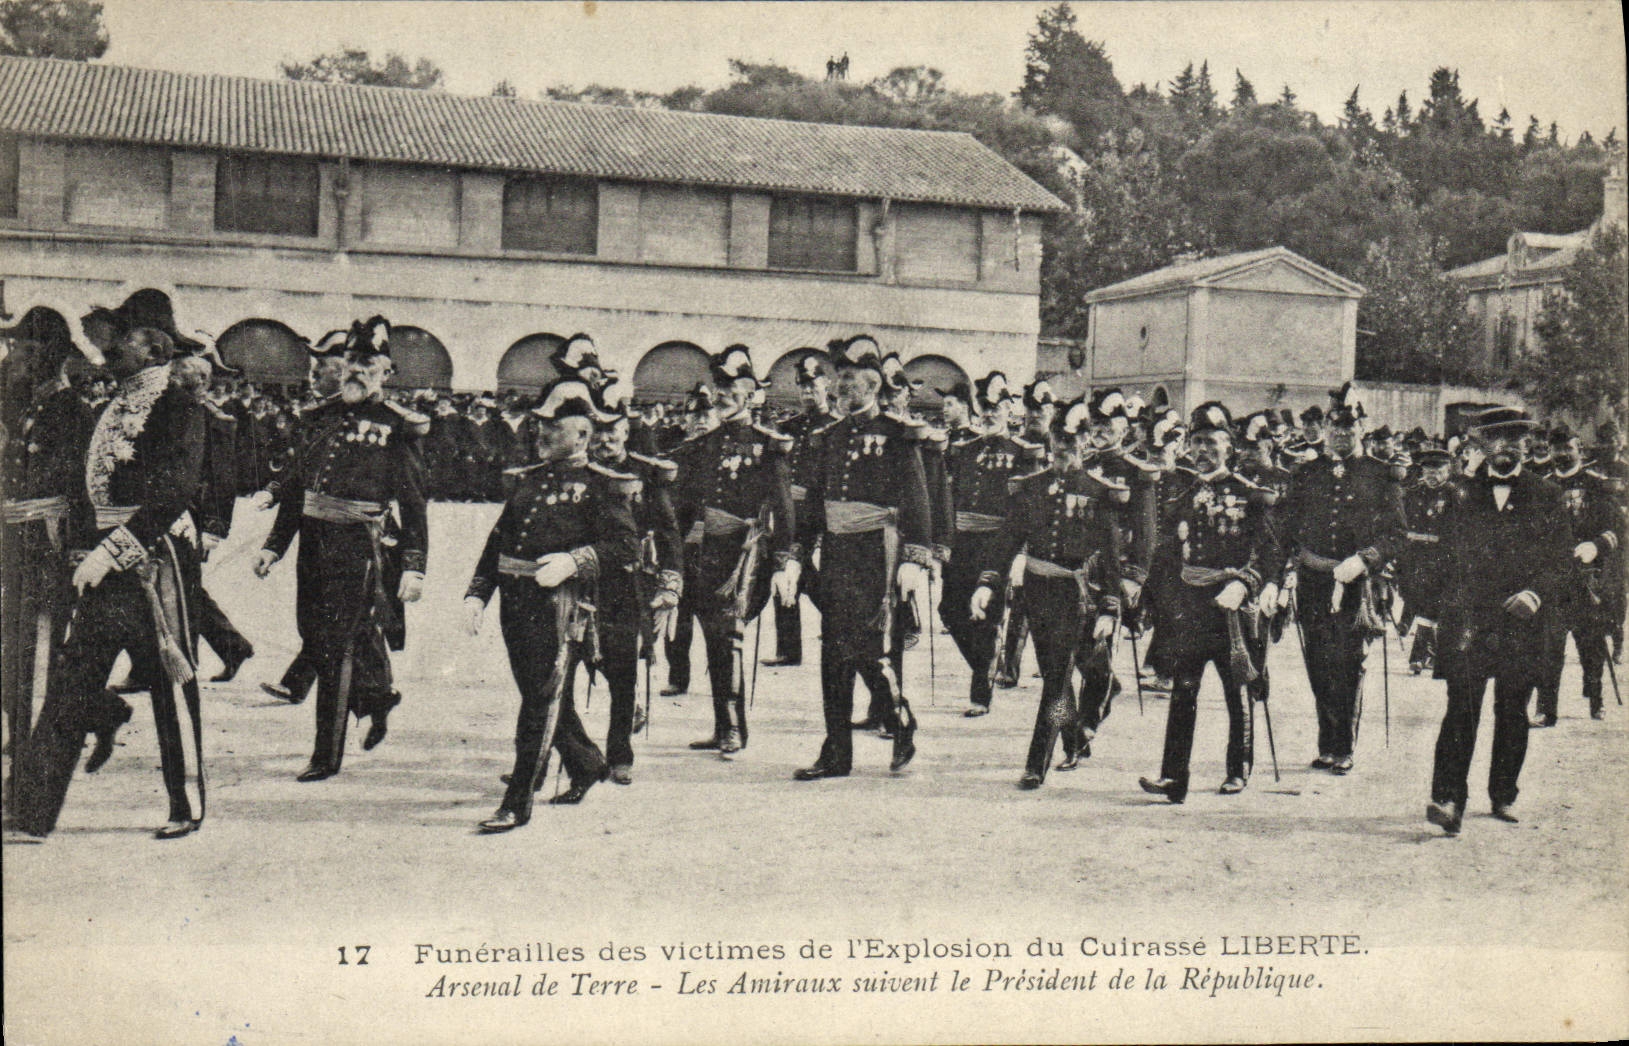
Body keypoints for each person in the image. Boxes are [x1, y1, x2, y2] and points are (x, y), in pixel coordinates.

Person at [9, 326, 208, 841]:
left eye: (123, 343)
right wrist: (82, 548)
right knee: (74, 679)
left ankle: (184, 804)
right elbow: (88, 490)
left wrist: (116, 548)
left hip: (155, 561)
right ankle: (32, 810)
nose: (109, 350)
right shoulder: (109, 407)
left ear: (155, 353)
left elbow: (175, 492)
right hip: (103, 563)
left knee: (170, 683)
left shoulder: (179, 406)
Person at [252, 318, 427, 781]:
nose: (355, 370)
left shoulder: (397, 427)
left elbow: (413, 503)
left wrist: (414, 565)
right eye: (350, 360)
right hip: (313, 542)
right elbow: (298, 492)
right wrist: (274, 546)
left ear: (386, 373)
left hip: (359, 548)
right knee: (315, 634)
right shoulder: (319, 419)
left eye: (367, 363)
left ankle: (325, 756)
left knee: (333, 646)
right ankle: (377, 698)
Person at [464, 379, 641, 831]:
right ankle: (585, 762)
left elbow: (626, 547)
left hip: (559, 605)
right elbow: (498, 540)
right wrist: (477, 592)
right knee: (539, 694)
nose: (540, 433)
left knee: (540, 701)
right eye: (540, 425)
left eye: (553, 427)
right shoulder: (529, 479)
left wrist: (575, 560)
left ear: (582, 435)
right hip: (517, 602)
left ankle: (516, 801)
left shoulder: (603, 485)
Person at [785, 335, 931, 779]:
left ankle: (899, 716)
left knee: (867, 644)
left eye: (849, 379)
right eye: (839, 378)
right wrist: (795, 555)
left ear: (871, 383)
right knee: (833, 650)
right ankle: (838, 752)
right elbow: (812, 504)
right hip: (836, 552)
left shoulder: (897, 435)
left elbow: (917, 500)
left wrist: (914, 558)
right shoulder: (826, 437)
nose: (840, 386)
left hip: (875, 551)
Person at [1426, 408, 1571, 835]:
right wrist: (1435, 611)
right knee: (1460, 710)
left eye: (1514, 440)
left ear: (1526, 445)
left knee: (1512, 710)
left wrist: (1535, 594)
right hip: (1471, 619)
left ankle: (1503, 792)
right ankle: (1449, 798)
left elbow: (1560, 561)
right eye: (1495, 440)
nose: (1505, 448)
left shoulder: (1547, 495)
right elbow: (1444, 557)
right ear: (1481, 446)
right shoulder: (1461, 495)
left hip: (1523, 619)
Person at [970, 398, 1123, 787]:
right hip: (1037, 592)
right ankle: (1073, 739)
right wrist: (988, 583)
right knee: (1056, 674)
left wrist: (1110, 606)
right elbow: (1006, 542)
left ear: (1085, 445)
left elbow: (1110, 555)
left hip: (1076, 596)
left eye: (1071, 448)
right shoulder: (1029, 488)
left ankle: (1037, 761)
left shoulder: (1099, 492)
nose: (1062, 456)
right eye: (1057, 448)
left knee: (1056, 679)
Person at [1138, 403, 1275, 803]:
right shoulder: (1182, 496)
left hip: (1231, 608)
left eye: (1212, 443)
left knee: (1237, 690)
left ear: (1229, 447)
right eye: (1196, 442)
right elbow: (1165, 556)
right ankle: (1173, 778)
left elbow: (1268, 554)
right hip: (1190, 608)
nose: (1203, 451)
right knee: (1183, 689)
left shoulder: (1252, 497)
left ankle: (1239, 769)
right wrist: (1148, 601)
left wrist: (1246, 585)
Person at [666, 346, 793, 757]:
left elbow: (783, 509)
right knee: (714, 640)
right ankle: (722, 726)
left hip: (743, 556)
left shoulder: (768, 446)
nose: (722, 396)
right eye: (719, 388)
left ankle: (734, 729)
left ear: (752, 395)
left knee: (729, 637)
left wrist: (782, 561)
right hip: (705, 555)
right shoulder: (703, 444)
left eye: (731, 389)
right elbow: (683, 507)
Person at [1279, 386, 1404, 775]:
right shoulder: (1307, 473)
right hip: (1314, 580)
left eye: (1349, 429)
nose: (1341, 436)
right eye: (1335, 428)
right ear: (1326, 430)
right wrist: (1284, 570)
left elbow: (1396, 534)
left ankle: (1344, 745)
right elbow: (1288, 526)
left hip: (1355, 583)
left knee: (1347, 662)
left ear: (1361, 430)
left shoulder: (1380, 476)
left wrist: (1366, 559)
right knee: (1317, 661)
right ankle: (1326, 743)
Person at [1, 308, 95, 801]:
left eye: (27, 349)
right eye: (16, 347)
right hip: (14, 542)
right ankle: (96, 712)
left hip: (51, 547)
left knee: (44, 661)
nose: (16, 355)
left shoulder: (75, 412)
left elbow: (84, 491)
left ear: (51, 357)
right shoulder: (19, 404)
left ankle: (29, 774)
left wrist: (78, 553)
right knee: (13, 657)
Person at [587, 381, 682, 785]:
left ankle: (619, 754)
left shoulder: (646, 473)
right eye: (598, 433)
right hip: (585, 578)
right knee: (584, 658)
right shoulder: (581, 471)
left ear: (626, 433)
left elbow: (668, 531)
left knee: (623, 669)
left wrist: (670, 583)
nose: (605, 441)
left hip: (630, 583)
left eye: (613, 433)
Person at [941, 370, 1043, 717]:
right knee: (950, 610)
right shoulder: (963, 449)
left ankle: (980, 694)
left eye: (995, 408)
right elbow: (951, 498)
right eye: (983, 407)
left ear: (1009, 411)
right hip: (964, 541)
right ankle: (985, 663)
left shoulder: (1023, 452)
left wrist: (1021, 554)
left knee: (985, 616)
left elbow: (1028, 508)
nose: (988, 414)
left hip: (998, 543)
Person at [258, 329, 346, 704]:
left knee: (339, 614)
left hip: (352, 534)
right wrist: (274, 546)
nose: (313, 375)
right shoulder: (312, 419)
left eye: (322, 367)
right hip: (313, 532)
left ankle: (305, 682)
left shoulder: (367, 421)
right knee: (313, 615)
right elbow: (297, 484)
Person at [1531, 425, 1623, 724]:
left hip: (1589, 579)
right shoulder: (1542, 486)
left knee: (1591, 643)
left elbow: (1618, 529)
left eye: (1567, 448)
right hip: (1555, 580)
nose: (1561, 454)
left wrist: (1595, 546)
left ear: (1578, 449)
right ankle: (1546, 709)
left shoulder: (1597, 485)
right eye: (1556, 449)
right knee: (1549, 645)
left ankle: (1596, 701)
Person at [764, 355, 838, 668]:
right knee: (783, 567)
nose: (808, 393)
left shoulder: (835, 427)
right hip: (788, 511)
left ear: (827, 386)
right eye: (803, 388)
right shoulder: (790, 427)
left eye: (813, 386)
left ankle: (838, 632)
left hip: (817, 515)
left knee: (816, 579)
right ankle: (788, 647)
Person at [660, 384, 718, 696]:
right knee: (677, 614)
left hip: (714, 548)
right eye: (694, 415)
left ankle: (719, 676)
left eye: (707, 413)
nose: (700, 420)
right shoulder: (675, 457)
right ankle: (677, 675)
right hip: (680, 548)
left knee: (713, 619)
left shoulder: (725, 453)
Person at [1398, 440, 1456, 675]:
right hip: (1415, 557)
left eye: (1438, 472)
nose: (1432, 477)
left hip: (1443, 557)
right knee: (1423, 603)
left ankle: (1421, 656)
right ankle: (1428, 654)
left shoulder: (1454, 494)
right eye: (1428, 472)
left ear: (1448, 471)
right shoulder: (1411, 494)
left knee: (1432, 606)